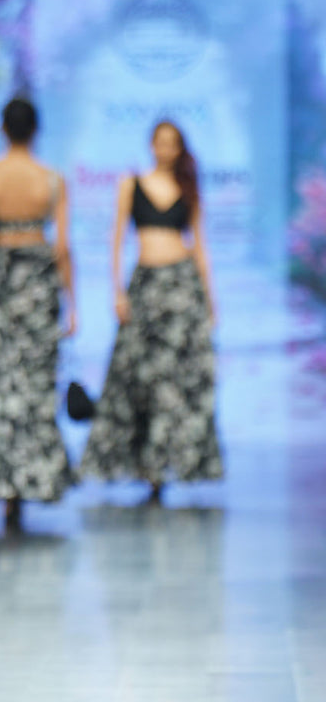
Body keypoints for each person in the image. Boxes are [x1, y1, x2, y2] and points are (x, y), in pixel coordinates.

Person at [81, 119, 223, 500]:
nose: (165, 149)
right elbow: (116, 239)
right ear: (151, 145)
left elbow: (200, 244)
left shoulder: (188, 187)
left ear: (179, 148)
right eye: (160, 142)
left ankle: (167, 464)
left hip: (182, 287)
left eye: (172, 143)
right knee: (136, 375)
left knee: (178, 379)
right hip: (145, 286)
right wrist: (116, 291)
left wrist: (210, 299)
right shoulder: (131, 183)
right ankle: (146, 465)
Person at [0, 98, 76, 530]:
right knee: (36, 388)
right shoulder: (52, 180)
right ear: (35, 130)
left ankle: (1, 484)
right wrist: (73, 306)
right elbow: (63, 249)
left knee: (0, 385)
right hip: (39, 290)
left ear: (3, 129)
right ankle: (27, 484)